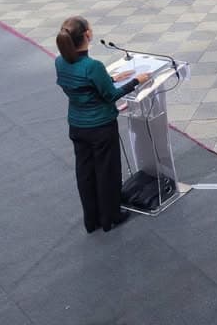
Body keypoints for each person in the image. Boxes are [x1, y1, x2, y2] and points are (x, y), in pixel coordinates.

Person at [55, 16, 151, 233]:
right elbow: (111, 96)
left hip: (77, 126)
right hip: (100, 127)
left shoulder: (60, 62)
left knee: (85, 173)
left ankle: (92, 219)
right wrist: (137, 80)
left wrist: (111, 78)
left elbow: (84, 84)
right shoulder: (92, 66)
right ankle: (111, 216)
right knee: (107, 172)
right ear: (87, 35)